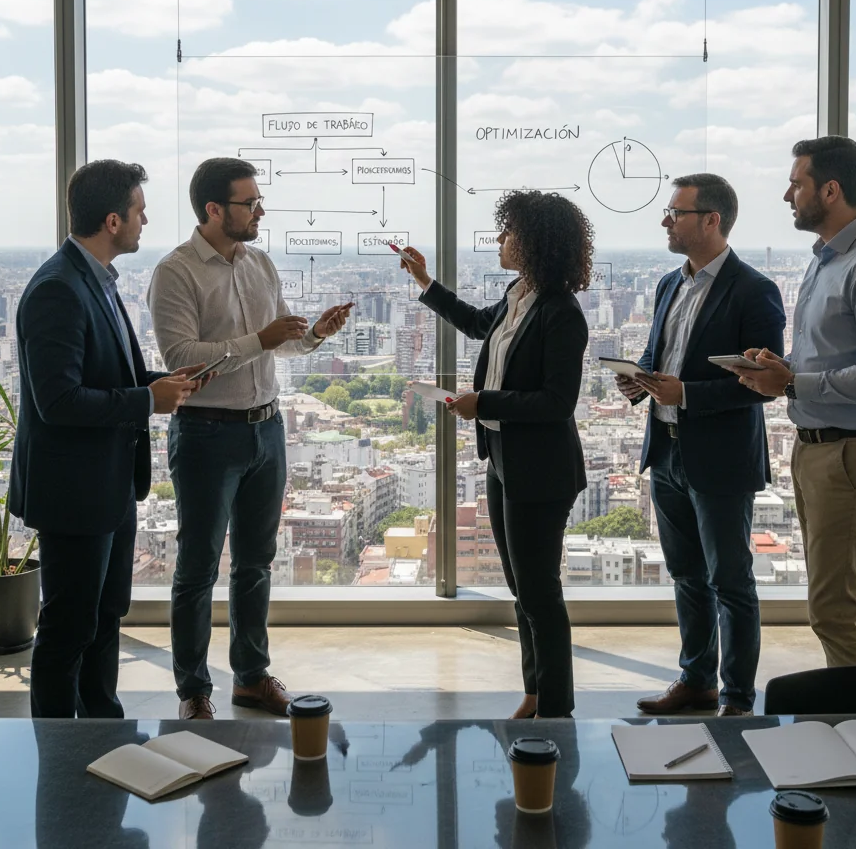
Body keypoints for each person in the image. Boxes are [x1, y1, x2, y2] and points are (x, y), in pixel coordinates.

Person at [148, 157, 353, 720]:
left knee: (256, 562)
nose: (259, 210)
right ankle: (193, 690)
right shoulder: (176, 272)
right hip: (207, 433)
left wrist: (312, 336)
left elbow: (279, 338)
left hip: (267, 428)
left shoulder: (260, 263)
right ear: (214, 210)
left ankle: (250, 677)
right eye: (249, 202)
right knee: (197, 568)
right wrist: (257, 341)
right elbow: (181, 359)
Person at [11, 160, 201, 718]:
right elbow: (59, 400)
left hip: (110, 488)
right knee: (68, 631)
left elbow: (103, 377)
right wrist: (148, 401)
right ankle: (60, 762)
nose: (147, 220)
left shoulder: (94, 277)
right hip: (75, 496)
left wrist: (158, 385)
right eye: (140, 210)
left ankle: (103, 734)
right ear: (113, 220)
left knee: (102, 620)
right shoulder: (57, 289)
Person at [400, 190, 592, 719]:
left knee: (539, 593)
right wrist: (425, 283)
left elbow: (558, 402)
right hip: (505, 458)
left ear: (534, 243)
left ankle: (556, 708)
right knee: (521, 589)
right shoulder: (519, 295)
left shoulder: (561, 314)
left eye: (508, 233)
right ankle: (535, 693)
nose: (500, 241)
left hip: (542, 468)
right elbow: (478, 324)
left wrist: (483, 401)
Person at [731, 137, 856, 667]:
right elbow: (832, 354)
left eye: (798, 183)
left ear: (831, 190)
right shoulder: (827, 260)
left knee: (832, 608)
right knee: (846, 601)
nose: (787, 194)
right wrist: (780, 367)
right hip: (822, 449)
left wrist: (792, 384)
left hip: (853, 453)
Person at [619, 174, 785, 717]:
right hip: (665, 450)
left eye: (675, 212)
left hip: (719, 459)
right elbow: (657, 357)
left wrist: (686, 393)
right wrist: (637, 380)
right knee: (687, 575)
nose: (665, 221)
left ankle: (737, 699)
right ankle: (697, 682)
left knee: (730, 581)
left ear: (711, 220)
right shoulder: (669, 284)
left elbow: (764, 385)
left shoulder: (754, 290)